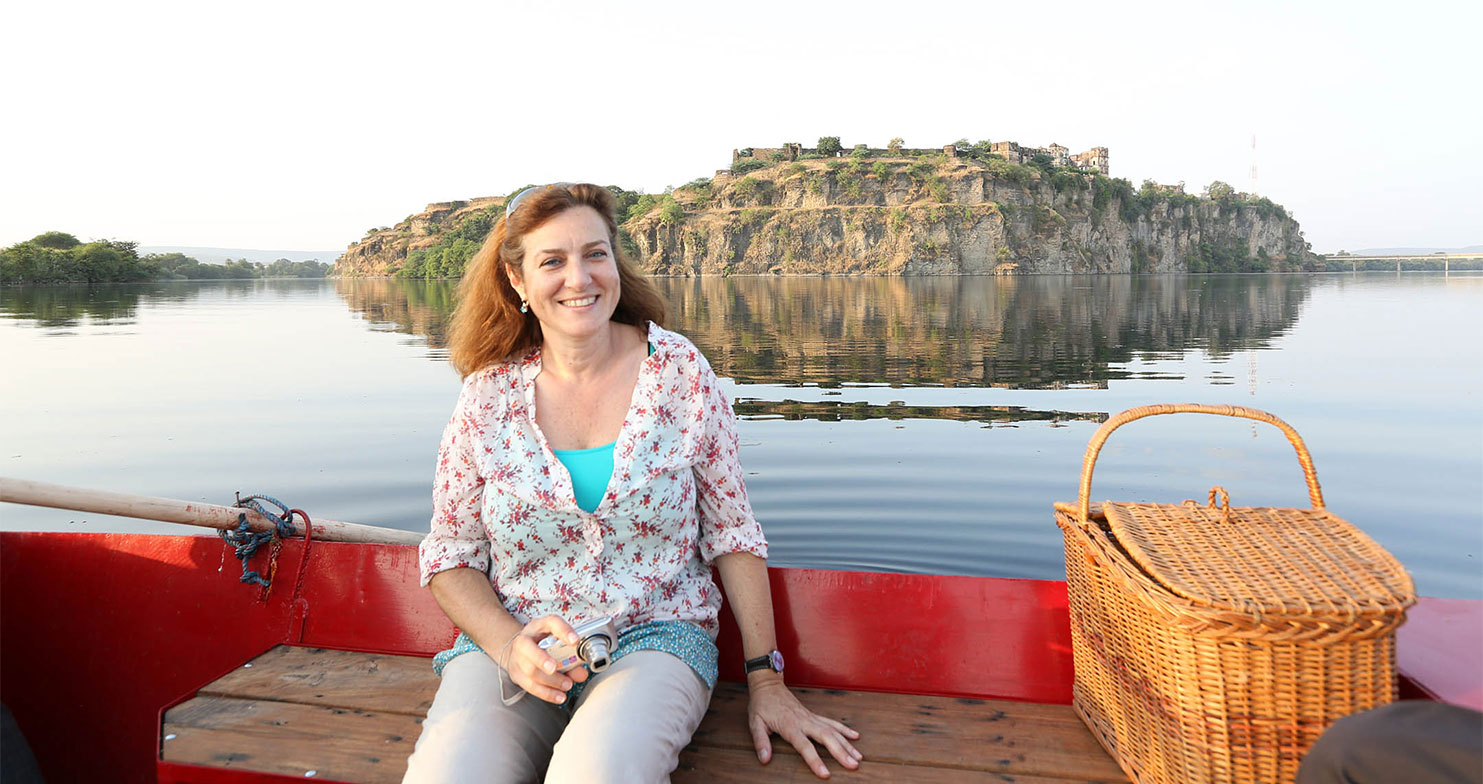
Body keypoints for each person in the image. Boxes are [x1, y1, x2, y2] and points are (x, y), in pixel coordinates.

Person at [402, 183, 862, 783]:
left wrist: (765, 679)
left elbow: (732, 531)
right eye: (552, 261)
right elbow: (452, 556)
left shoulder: (681, 374)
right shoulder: (486, 397)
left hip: (656, 636)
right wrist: (510, 645)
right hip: (516, 642)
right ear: (517, 282)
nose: (579, 277)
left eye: (595, 253)